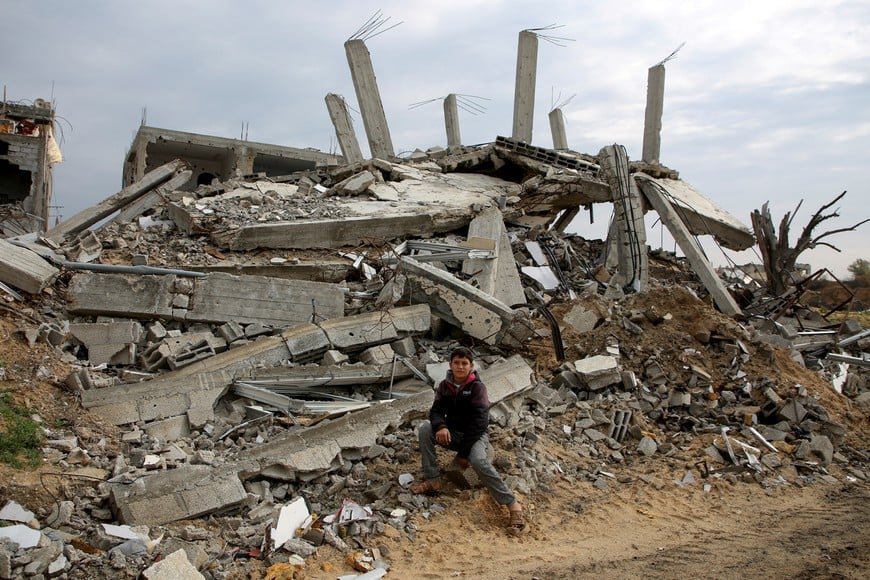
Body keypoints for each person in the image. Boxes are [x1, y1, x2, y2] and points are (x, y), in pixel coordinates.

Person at [410, 347, 526, 531]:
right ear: (450, 364)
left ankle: (512, 504)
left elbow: (480, 422)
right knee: (425, 429)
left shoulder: (477, 387)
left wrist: (464, 453)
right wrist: (441, 426)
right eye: (456, 363)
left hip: (475, 436)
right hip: (452, 432)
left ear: (471, 366)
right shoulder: (444, 386)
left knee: (479, 461)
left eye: (464, 363)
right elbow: (436, 411)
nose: (460, 367)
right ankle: (432, 479)